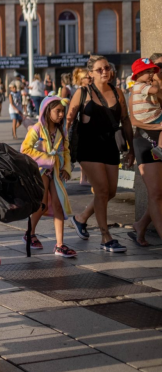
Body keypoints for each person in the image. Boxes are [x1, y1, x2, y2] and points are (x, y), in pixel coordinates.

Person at [66, 55, 134, 253]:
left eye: (107, 68)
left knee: (111, 192)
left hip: (110, 147)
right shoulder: (83, 93)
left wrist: (131, 149)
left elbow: (125, 120)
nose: (105, 72)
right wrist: (61, 148)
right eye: (100, 69)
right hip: (88, 148)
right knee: (102, 190)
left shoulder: (117, 92)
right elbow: (68, 120)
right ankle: (106, 237)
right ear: (91, 73)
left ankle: (81, 218)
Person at [21, 97, 77, 257]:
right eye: (57, 111)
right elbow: (25, 149)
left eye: (62, 111)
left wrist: (66, 167)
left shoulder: (61, 131)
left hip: (56, 172)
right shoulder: (37, 129)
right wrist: (48, 159)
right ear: (47, 111)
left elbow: (66, 150)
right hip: (40, 171)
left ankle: (59, 245)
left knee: (59, 204)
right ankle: (30, 233)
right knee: (43, 205)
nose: (61, 114)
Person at [129, 53, 162, 246]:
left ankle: (140, 225)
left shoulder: (156, 90)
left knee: (159, 193)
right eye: (155, 68)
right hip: (145, 141)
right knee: (156, 193)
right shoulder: (139, 90)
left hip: (159, 138)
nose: (155, 72)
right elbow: (134, 121)